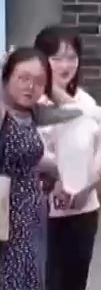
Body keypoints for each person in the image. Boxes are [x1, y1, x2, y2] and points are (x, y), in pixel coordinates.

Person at [34, 27, 101, 290]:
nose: (66, 66)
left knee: (74, 282)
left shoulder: (86, 102)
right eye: (56, 58)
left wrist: (87, 183)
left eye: (72, 57)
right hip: (41, 212)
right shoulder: (31, 104)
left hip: (83, 211)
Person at [1, 48, 49, 289]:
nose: (31, 87)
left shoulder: (29, 114)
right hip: (7, 215)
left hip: (31, 213)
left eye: (39, 81)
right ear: (6, 77)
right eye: (23, 78)